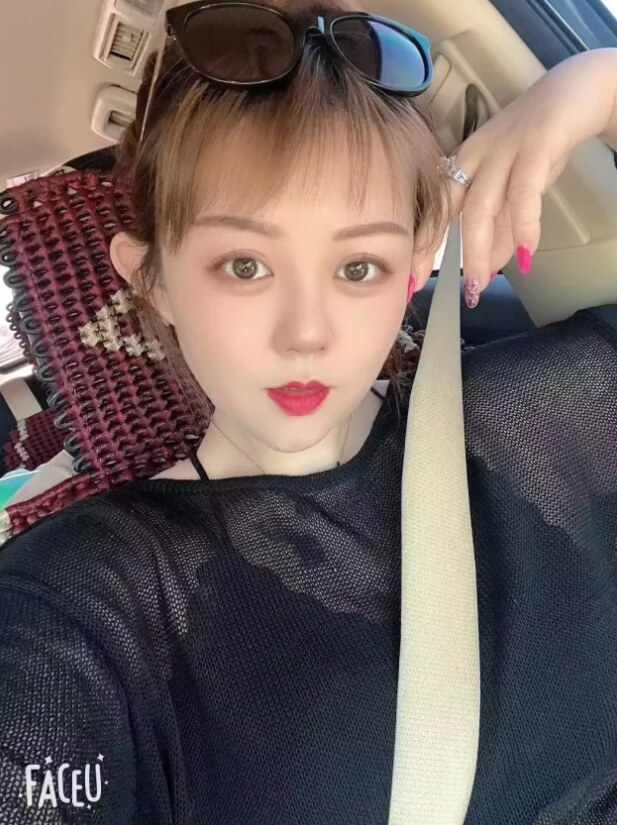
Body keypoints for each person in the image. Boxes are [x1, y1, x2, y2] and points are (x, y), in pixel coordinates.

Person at [1, 0, 617, 819]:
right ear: (152, 280)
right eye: (244, 265)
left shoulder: (551, 416)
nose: (306, 333)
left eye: (358, 267)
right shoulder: (86, 600)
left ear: (413, 264)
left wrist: (589, 85)